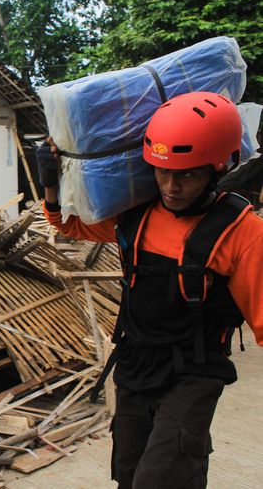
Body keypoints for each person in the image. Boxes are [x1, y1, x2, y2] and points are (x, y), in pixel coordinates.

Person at [36, 91, 263, 488]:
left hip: (193, 373)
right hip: (135, 366)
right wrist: (51, 183)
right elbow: (69, 225)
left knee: (159, 480)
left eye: (188, 173)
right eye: (163, 171)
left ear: (219, 167)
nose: (171, 186)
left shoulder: (242, 232)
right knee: (128, 475)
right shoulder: (134, 215)